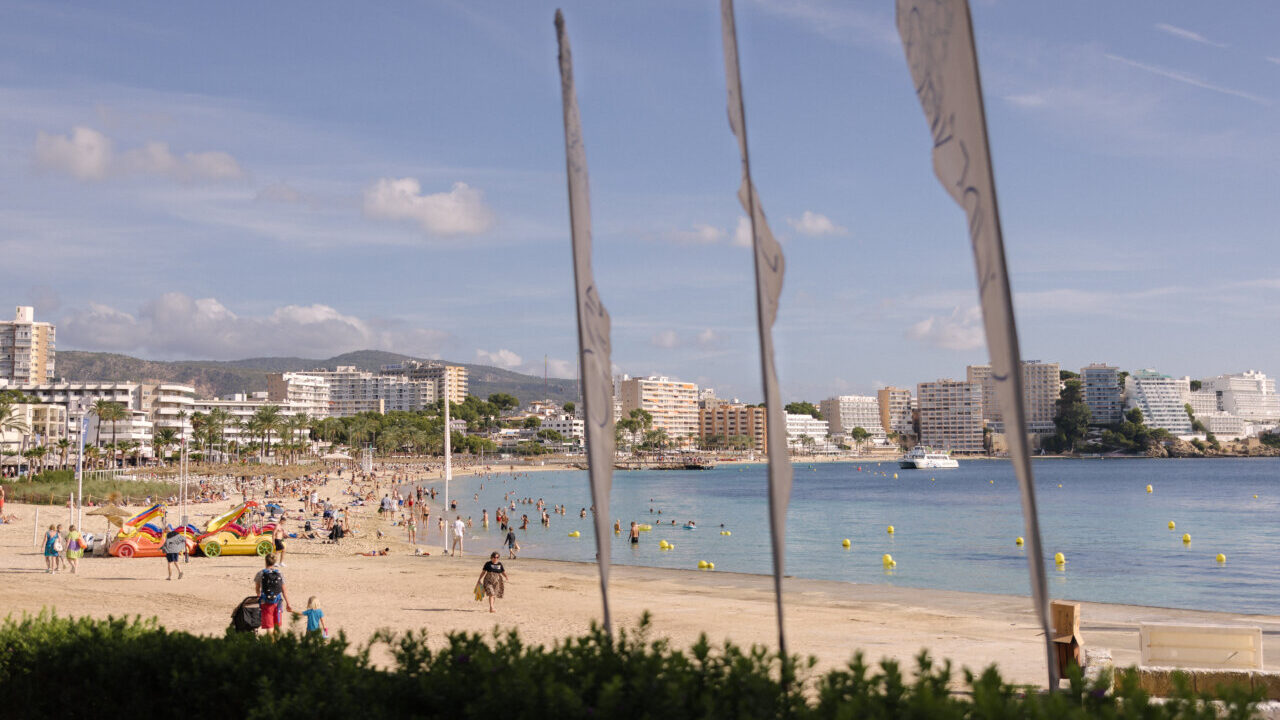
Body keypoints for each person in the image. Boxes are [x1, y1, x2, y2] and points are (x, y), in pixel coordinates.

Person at [253, 553, 292, 635]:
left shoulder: (260, 573)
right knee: (276, 625)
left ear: (265, 561)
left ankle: (270, 641)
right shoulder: (279, 573)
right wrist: (288, 603)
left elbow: (257, 588)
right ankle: (276, 641)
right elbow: (284, 590)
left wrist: (258, 596)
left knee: (269, 626)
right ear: (274, 562)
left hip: (266, 602)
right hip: (277, 602)